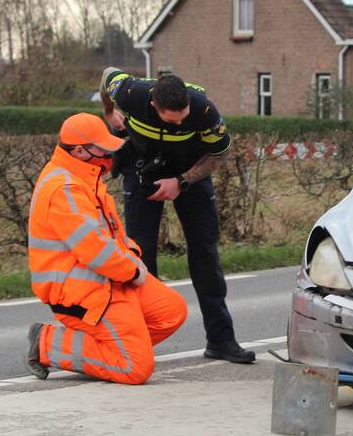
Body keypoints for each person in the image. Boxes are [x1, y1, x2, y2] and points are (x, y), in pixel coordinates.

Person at [99, 68, 255, 364]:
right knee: (140, 258)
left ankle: (221, 340)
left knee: (205, 255)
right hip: (142, 168)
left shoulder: (204, 110)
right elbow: (107, 73)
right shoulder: (131, 93)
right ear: (154, 106)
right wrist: (109, 112)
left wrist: (182, 181)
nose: (181, 123)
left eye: (184, 117)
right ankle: (140, 344)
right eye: (173, 120)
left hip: (190, 174)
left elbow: (219, 154)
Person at [24, 112, 187, 384]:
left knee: (171, 313)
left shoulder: (86, 177)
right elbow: (94, 248)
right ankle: (48, 343)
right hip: (86, 291)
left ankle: (112, 348)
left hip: (110, 277)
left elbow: (113, 234)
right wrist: (133, 272)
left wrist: (132, 259)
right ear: (79, 151)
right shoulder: (64, 188)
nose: (109, 153)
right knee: (136, 369)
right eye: (101, 148)